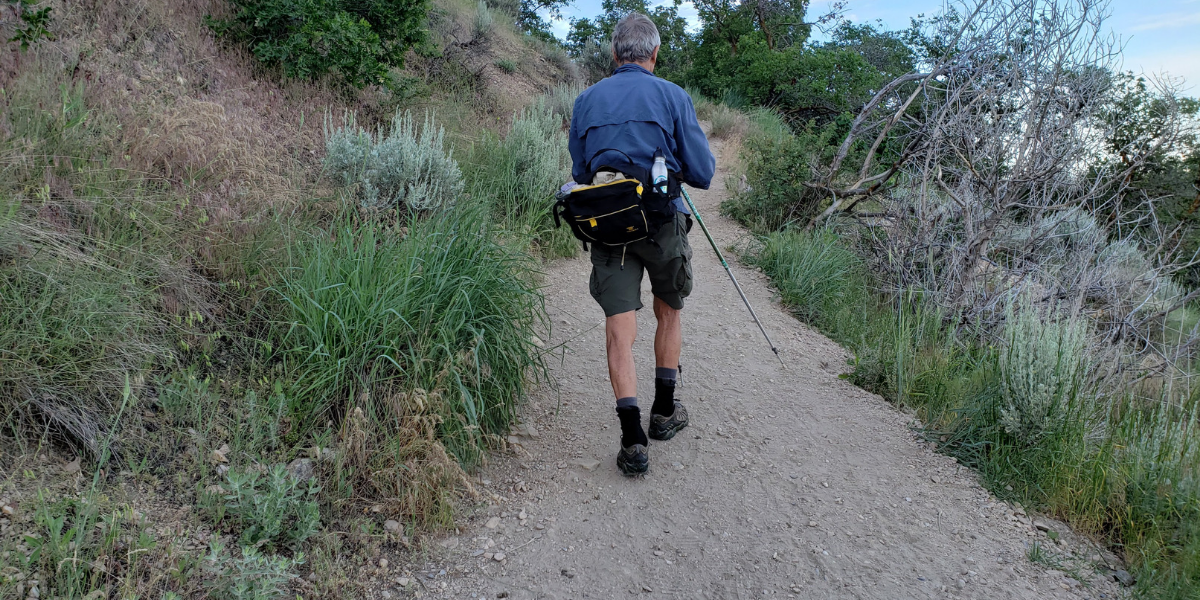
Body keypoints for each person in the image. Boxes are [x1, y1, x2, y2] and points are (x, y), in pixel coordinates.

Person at [567, 12, 716, 475]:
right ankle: (664, 413)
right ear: (654, 53)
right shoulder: (673, 96)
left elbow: (579, 171)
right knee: (668, 308)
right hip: (661, 223)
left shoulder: (586, 100)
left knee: (619, 327)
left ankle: (632, 441)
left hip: (608, 226)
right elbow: (704, 173)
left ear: (614, 55)